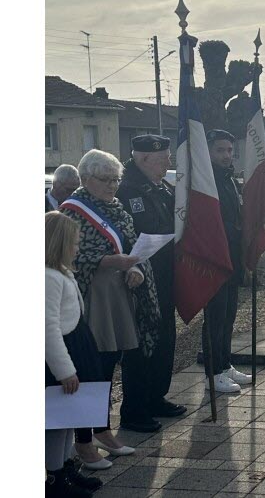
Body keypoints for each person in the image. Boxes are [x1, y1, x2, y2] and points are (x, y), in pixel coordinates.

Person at [61, 149, 162, 456]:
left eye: (116, 179)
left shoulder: (118, 209)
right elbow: (67, 258)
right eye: (105, 179)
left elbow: (131, 249)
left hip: (119, 295)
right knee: (93, 367)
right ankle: (86, 437)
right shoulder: (72, 212)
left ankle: (102, 429)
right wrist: (106, 261)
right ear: (85, 178)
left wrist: (134, 269)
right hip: (92, 298)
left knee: (110, 364)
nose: (112, 185)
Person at [115, 135, 187, 420]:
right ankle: (135, 407)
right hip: (140, 281)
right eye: (163, 159)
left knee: (165, 338)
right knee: (141, 344)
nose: (168, 163)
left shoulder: (162, 187)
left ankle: (156, 396)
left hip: (165, 277)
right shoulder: (125, 189)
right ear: (144, 159)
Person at [45, 211, 105, 497]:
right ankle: (54, 478)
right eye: (74, 243)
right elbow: (47, 328)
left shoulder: (60, 272)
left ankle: (66, 467)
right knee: (57, 422)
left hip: (76, 347)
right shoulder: (47, 278)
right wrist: (64, 370)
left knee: (70, 416)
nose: (77, 249)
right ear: (59, 243)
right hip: (63, 354)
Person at [201, 129, 253, 393]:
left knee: (229, 315)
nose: (226, 155)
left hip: (232, 256)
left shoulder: (229, 179)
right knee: (215, 318)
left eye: (230, 150)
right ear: (209, 151)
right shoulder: (206, 180)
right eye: (220, 150)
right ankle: (212, 373)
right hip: (214, 259)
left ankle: (224, 363)